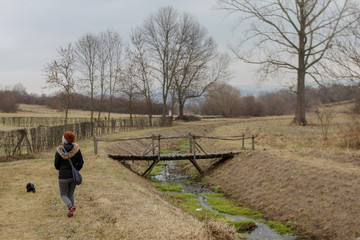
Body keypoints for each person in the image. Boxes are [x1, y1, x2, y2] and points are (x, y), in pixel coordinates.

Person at [54, 131, 84, 217]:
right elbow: (81, 162)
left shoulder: (59, 151)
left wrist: (62, 169)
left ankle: (70, 207)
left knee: (63, 194)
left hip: (63, 177)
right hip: (73, 176)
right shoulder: (77, 149)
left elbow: (56, 165)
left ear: (64, 140)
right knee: (70, 194)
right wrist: (76, 169)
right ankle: (70, 211)